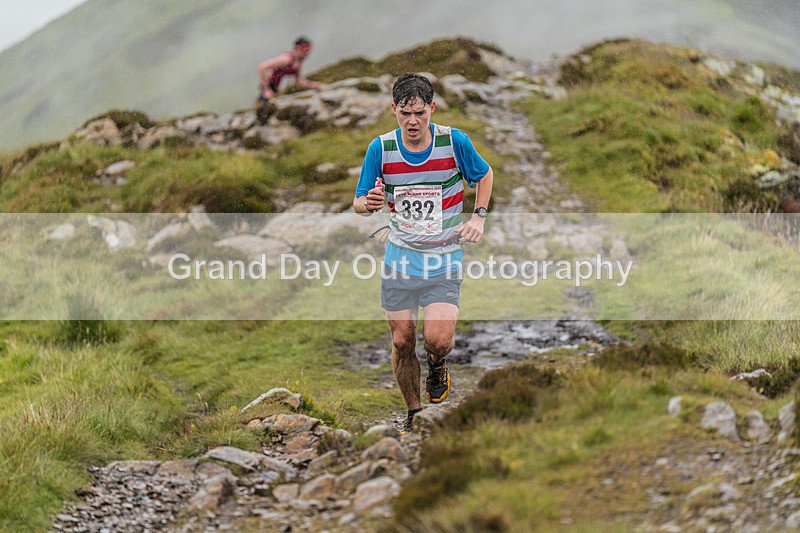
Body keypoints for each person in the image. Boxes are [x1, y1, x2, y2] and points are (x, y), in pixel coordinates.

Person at [353, 73, 494, 433]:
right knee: (402, 340)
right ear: (394, 111)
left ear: (432, 109)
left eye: (419, 113)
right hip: (400, 256)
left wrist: (478, 217)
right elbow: (359, 201)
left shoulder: (453, 141)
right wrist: (368, 204)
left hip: (444, 254)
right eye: (404, 114)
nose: (412, 121)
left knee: (439, 340)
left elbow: (485, 174)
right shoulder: (380, 148)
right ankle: (415, 412)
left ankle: (436, 364)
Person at [257, 37, 320, 107]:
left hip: (275, 88)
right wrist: (266, 89)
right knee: (265, 109)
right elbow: (262, 67)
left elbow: (299, 81)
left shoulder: (297, 63)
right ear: (298, 49)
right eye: (305, 51)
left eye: (308, 51)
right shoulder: (286, 59)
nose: (307, 54)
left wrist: (311, 85)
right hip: (268, 86)